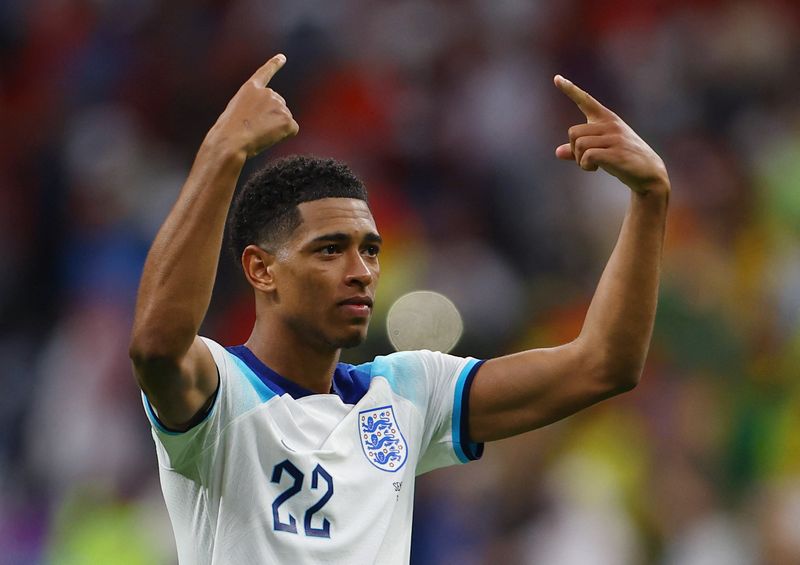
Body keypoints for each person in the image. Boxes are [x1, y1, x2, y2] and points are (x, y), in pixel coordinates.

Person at [129, 54, 670, 564]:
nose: (361, 271)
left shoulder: (408, 391)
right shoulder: (222, 396)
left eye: (369, 249)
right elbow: (156, 346)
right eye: (330, 249)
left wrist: (649, 199)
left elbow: (604, 365)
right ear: (261, 269)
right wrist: (221, 154)